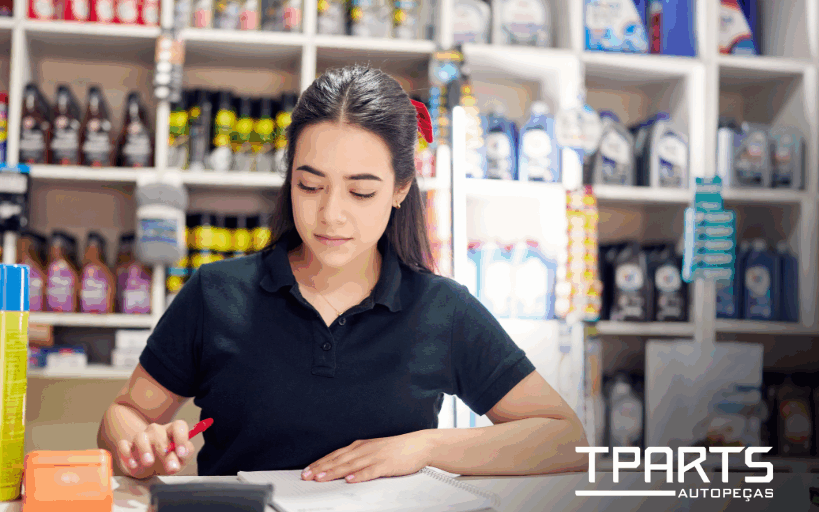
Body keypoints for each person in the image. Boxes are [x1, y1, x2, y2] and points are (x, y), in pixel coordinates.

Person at [97, 65, 588, 483]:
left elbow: (564, 438)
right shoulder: (215, 294)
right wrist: (141, 448)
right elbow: (125, 416)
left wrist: (423, 448)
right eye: (310, 186)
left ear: (400, 189)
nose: (331, 214)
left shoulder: (441, 309)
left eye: (360, 192)